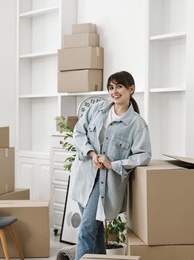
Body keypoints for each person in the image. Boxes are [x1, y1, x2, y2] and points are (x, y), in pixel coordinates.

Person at [70, 71, 152, 259]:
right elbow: (78, 132)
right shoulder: (97, 109)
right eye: (111, 87)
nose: (115, 91)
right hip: (84, 177)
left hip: (106, 183)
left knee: (86, 230)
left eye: (119, 87)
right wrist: (91, 153)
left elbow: (143, 156)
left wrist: (112, 164)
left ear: (131, 89)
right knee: (96, 230)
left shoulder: (137, 124)